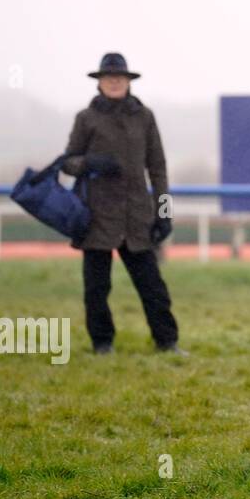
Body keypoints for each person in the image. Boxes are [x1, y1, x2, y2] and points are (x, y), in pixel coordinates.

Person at [61, 53, 183, 355]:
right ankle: (102, 344)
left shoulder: (145, 117)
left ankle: (167, 342)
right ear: (99, 82)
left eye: (119, 77)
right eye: (108, 77)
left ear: (128, 82)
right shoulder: (85, 118)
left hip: (137, 218)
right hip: (96, 218)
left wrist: (164, 213)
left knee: (153, 287)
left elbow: (158, 168)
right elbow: (67, 163)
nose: (114, 82)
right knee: (97, 288)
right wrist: (91, 163)